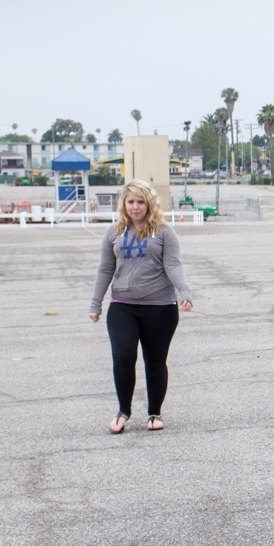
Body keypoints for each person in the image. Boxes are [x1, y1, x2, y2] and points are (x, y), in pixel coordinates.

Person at [88, 180, 195, 433]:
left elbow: (173, 265)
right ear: (124, 204)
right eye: (131, 202)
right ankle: (123, 411)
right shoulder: (113, 232)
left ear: (149, 204)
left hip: (160, 307)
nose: (135, 207)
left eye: (140, 202)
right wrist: (96, 303)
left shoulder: (164, 232)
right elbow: (105, 269)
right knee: (123, 356)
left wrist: (185, 291)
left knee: (155, 361)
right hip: (122, 306)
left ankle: (154, 413)